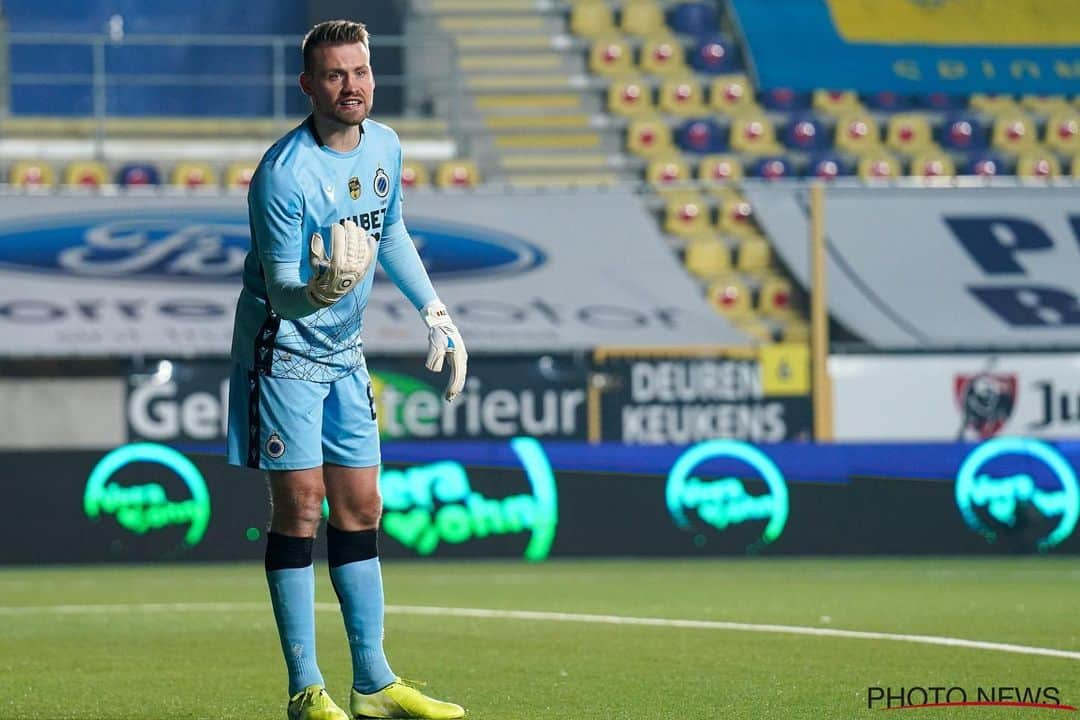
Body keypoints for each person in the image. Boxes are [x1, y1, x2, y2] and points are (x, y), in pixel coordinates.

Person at [226, 19, 468, 720]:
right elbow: (281, 287)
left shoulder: (386, 145)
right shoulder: (283, 175)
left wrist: (434, 311)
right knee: (300, 508)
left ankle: (374, 684)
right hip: (284, 350)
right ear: (309, 85)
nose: (351, 85)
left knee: (361, 507)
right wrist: (320, 292)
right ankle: (306, 690)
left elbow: (388, 230)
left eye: (359, 72)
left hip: (344, 355)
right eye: (334, 75)